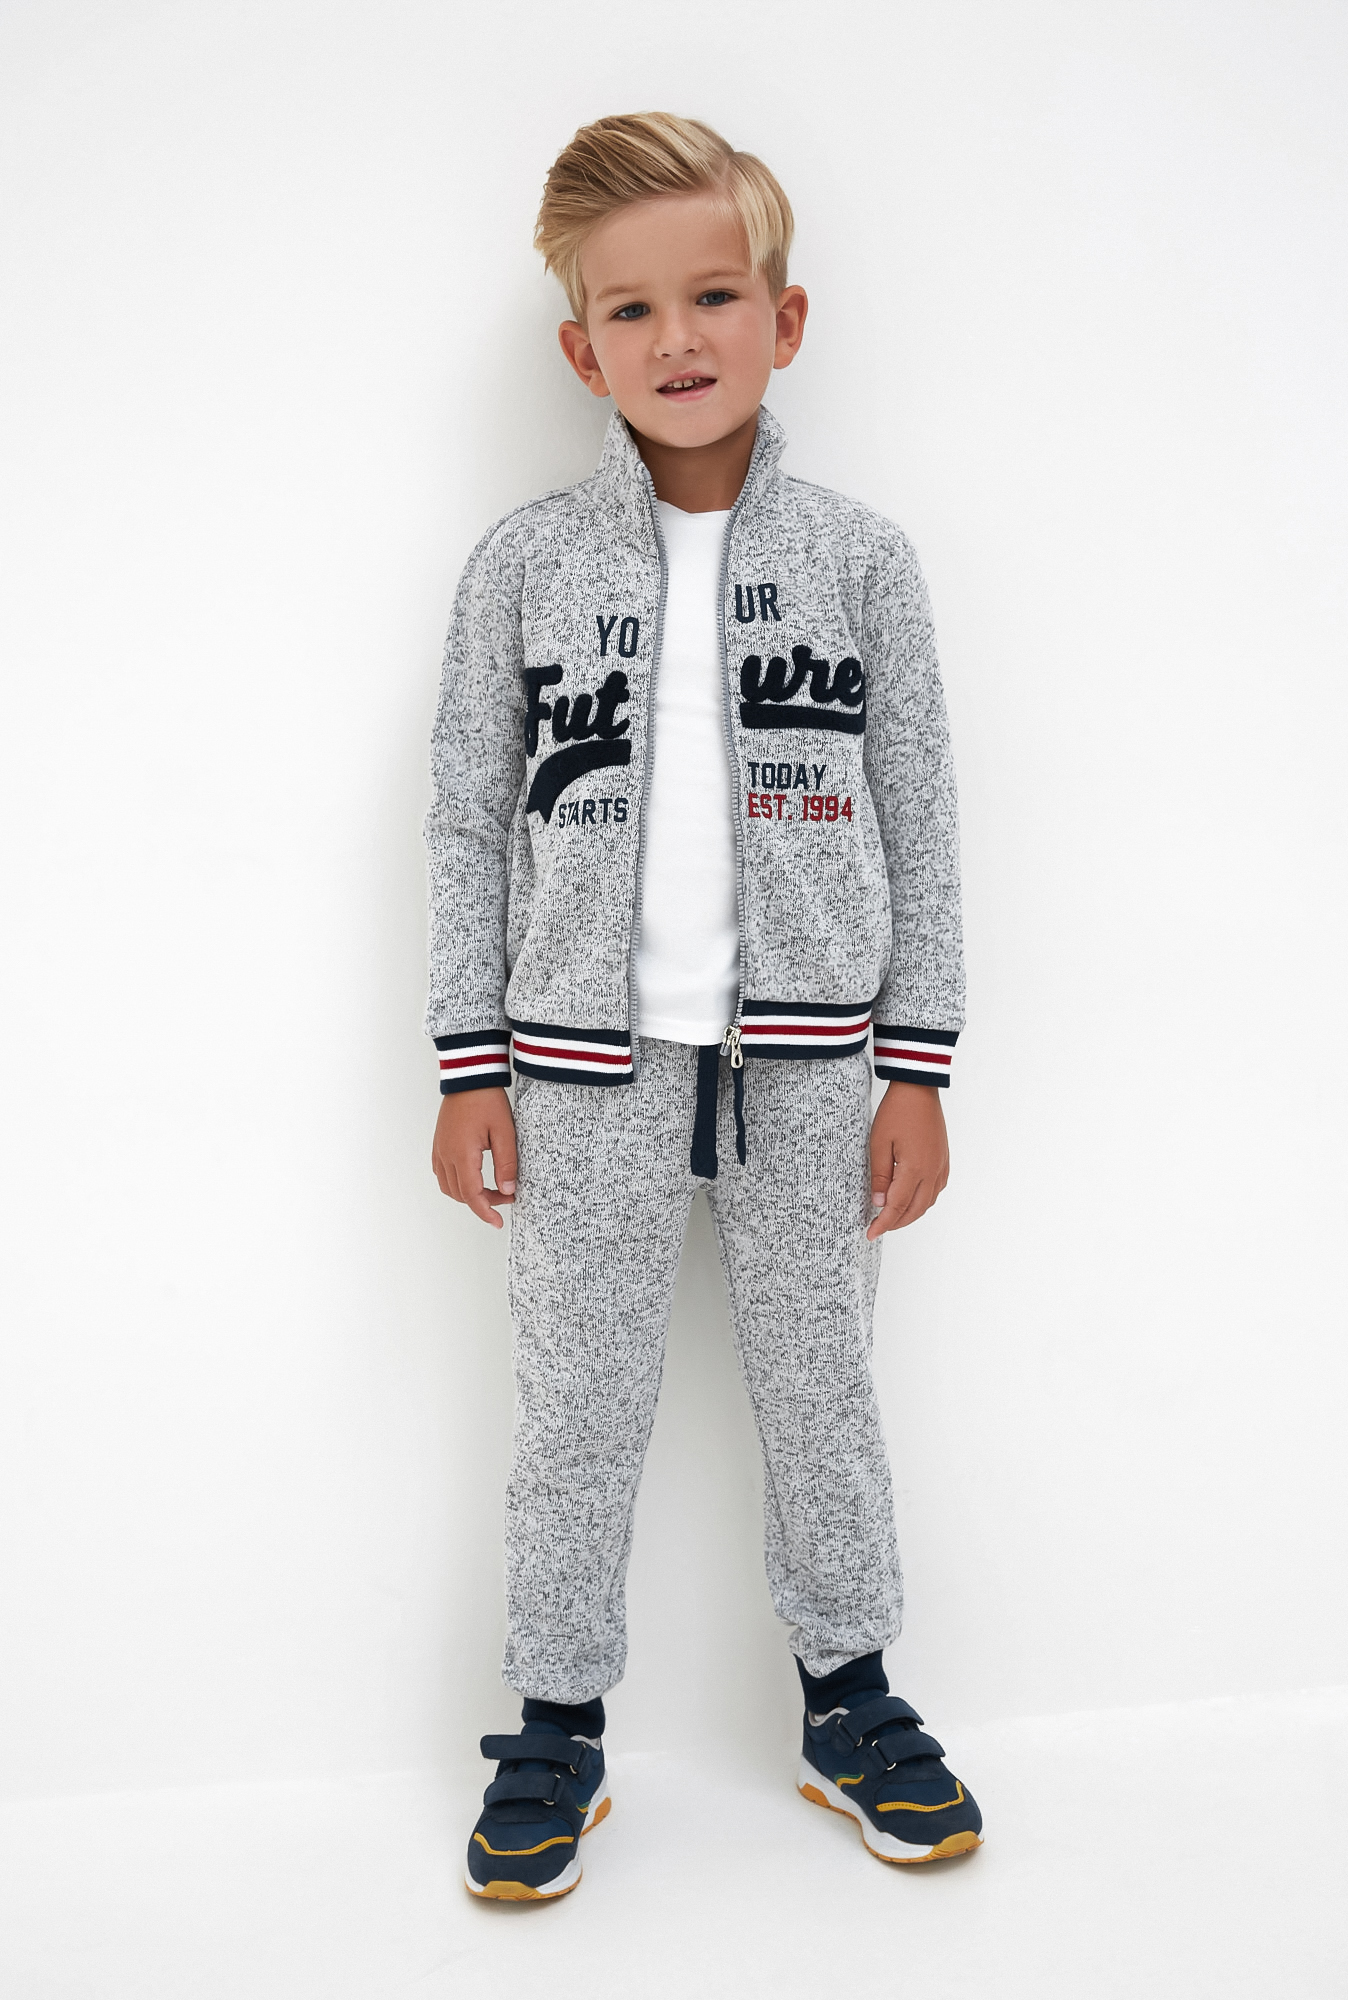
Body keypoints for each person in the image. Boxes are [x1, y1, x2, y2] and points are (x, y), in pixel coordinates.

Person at [426, 112, 981, 1902]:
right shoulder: (525, 567)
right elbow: (465, 819)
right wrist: (468, 1063)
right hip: (575, 1076)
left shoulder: (862, 563)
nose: (679, 337)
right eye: (633, 308)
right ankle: (555, 1724)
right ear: (580, 348)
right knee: (576, 1414)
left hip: (814, 1070)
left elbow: (924, 816)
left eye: (716, 295)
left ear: (784, 319)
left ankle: (851, 1700)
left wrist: (919, 1064)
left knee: (824, 1398)